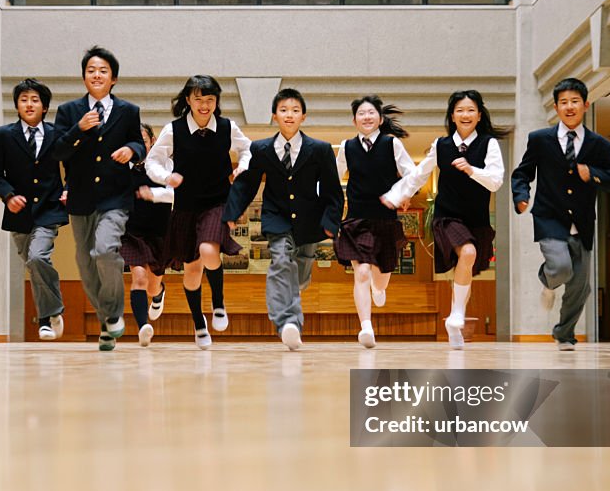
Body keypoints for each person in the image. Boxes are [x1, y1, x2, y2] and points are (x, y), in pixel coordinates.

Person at [383, 90, 507, 349]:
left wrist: (472, 170)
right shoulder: (442, 145)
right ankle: (457, 315)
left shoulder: (489, 144)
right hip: (447, 215)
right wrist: (397, 195)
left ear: (479, 115)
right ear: (452, 115)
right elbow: (419, 174)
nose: (465, 115)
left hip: (478, 218)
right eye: (460, 110)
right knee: (469, 252)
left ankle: (455, 321)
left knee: (468, 267)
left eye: (471, 110)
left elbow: (495, 181)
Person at [511, 77, 610, 350]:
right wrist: (521, 196)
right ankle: (547, 281)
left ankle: (564, 333)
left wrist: (593, 174)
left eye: (575, 101)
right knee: (561, 267)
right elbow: (522, 173)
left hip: (583, 221)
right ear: (556, 107)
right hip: (549, 217)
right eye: (564, 102)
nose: (569, 107)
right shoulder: (540, 140)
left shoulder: (600, 145)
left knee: (580, 286)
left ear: (585, 105)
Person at [224, 88, 343, 351]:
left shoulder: (321, 150)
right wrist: (231, 214)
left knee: (300, 273)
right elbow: (247, 184)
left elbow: (334, 191)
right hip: (276, 217)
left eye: (295, 110)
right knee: (280, 262)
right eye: (284, 110)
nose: (289, 115)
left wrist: (331, 223)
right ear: (274, 116)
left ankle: (291, 298)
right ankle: (288, 322)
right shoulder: (261, 149)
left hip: (310, 222)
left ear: (303, 116)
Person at [145, 75, 251, 349]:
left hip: (218, 203)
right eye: (198, 99)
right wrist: (166, 177)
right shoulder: (174, 130)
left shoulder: (228, 127)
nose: (204, 105)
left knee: (208, 249)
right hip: (185, 208)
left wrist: (243, 167)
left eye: (210, 99)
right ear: (188, 100)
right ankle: (199, 324)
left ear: (216, 101)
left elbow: (249, 149)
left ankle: (218, 303)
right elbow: (152, 162)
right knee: (191, 272)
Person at [52, 46, 145, 351]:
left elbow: (137, 142)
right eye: (91, 70)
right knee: (85, 262)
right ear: (83, 77)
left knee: (105, 250)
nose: (96, 74)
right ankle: (108, 322)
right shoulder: (68, 112)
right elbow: (58, 152)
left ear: (113, 78)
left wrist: (132, 151)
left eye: (103, 70)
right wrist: (78, 130)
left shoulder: (128, 111)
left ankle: (114, 314)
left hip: (115, 197)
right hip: (81, 199)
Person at [0, 78, 68, 341]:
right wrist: (8, 195)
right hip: (18, 213)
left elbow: (78, 165)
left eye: (35, 100)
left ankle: (46, 318)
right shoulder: (2, 135)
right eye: (24, 100)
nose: (29, 104)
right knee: (33, 264)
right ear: (17, 106)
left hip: (49, 209)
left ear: (44, 107)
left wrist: (69, 188)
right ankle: (52, 313)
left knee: (37, 258)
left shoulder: (58, 134)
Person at [334, 95, 416, 348]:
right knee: (361, 271)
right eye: (361, 113)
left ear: (379, 119)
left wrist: (402, 195)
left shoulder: (391, 144)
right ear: (354, 120)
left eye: (371, 113)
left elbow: (412, 175)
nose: (366, 117)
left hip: (385, 219)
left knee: (381, 276)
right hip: (357, 219)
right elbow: (331, 180)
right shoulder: (346, 147)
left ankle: (379, 290)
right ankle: (366, 327)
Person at [122, 123, 173, 347]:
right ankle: (143, 326)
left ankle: (159, 293)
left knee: (152, 285)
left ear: (152, 141)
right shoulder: (122, 168)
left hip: (160, 232)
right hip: (131, 232)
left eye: (143, 139)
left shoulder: (164, 164)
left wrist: (153, 194)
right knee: (139, 277)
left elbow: (175, 193)